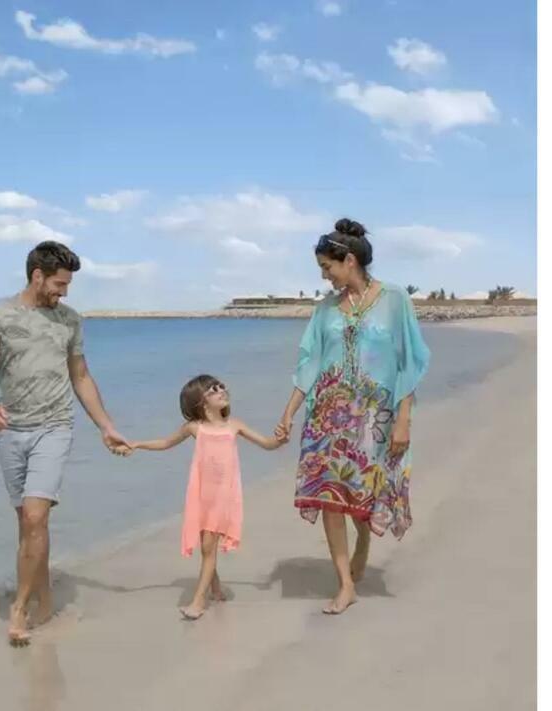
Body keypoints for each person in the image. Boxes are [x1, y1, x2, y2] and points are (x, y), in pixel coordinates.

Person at [0, 240, 131, 646]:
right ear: (37, 275)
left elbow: (81, 376)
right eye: (60, 284)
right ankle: (43, 599)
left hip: (54, 427)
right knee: (27, 523)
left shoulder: (70, 321)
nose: (64, 292)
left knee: (35, 517)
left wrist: (106, 426)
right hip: (11, 429)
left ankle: (19, 609)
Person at [275, 218, 430, 615]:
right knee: (329, 496)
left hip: (376, 420)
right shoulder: (325, 310)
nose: (324, 276)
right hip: (327, 419)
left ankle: (363, 538)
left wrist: (403, 420)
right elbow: (309, 363)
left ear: (349, 261)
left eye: (327, 267)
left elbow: (408, 362)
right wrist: (289, 412)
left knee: (365, 491)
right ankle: (345, 584)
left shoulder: (395, 300)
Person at [130, 374, 285, 620]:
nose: (222, 390)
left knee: (207, 548)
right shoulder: (195, 428)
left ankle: (198, 601)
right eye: (214, 389)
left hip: (224, 496)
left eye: (222, 386)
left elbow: (267, 443)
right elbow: (165, 443)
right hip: (202, 495)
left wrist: (280, 439)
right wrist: (136, 444)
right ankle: (215, 588)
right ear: (201, 402)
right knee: (207, 547)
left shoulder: (234, 425)